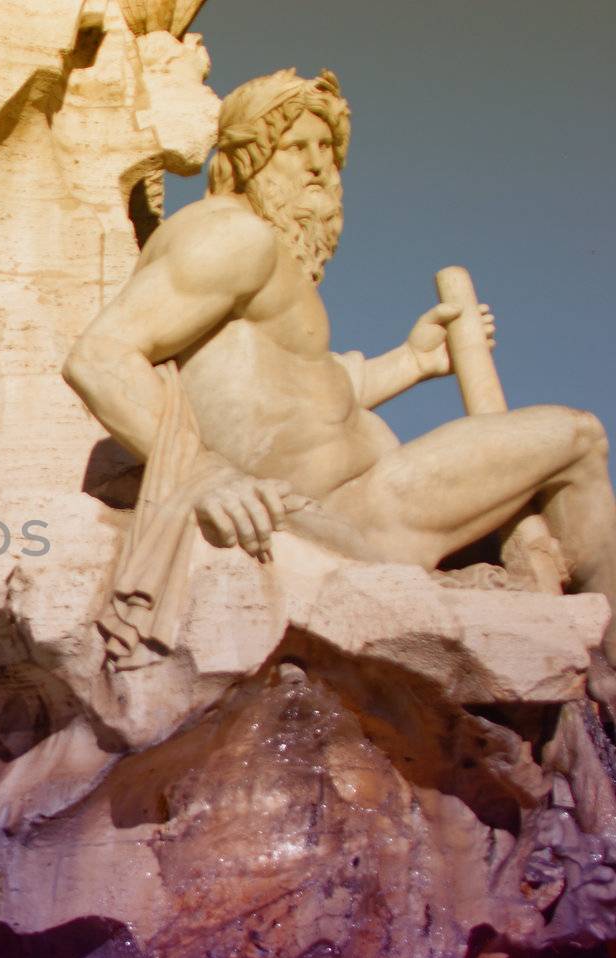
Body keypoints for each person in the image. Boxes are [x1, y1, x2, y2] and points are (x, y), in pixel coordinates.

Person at [63, 69, 616, 684]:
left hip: (361, 499)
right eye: (297, 147)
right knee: (579, 436)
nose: (319, 166)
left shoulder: (263, 259)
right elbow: (100, 356)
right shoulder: (230, 236)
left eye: (327, 150)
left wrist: (412, 361)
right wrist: (203, 474)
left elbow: (297, 402)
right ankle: (613, 660)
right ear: (247, 157)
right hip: (350, 514)